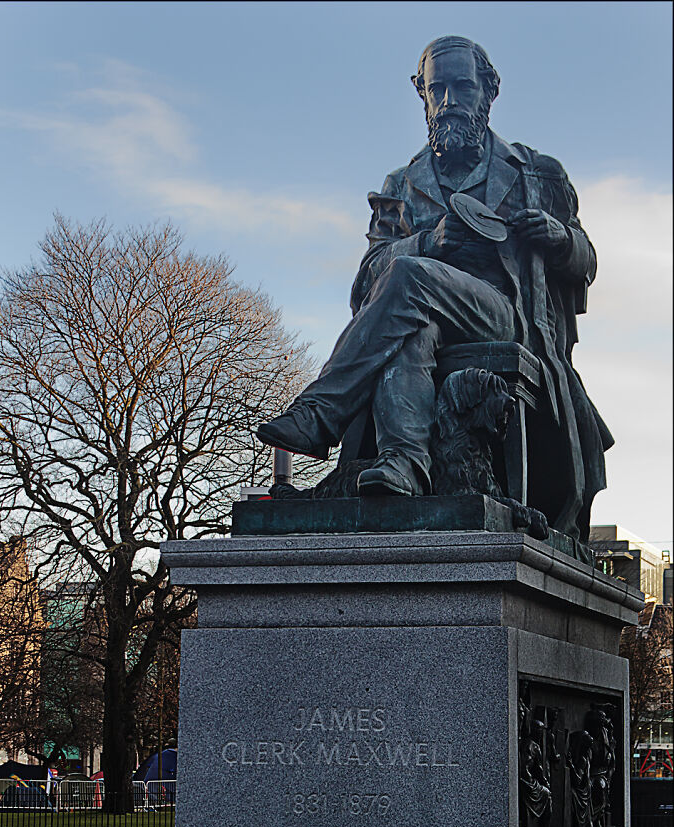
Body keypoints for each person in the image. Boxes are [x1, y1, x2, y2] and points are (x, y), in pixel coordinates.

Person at [257, 36, 613, 542]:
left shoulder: (537, 172)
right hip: (417, 313)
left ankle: (323, 411)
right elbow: (366, 278)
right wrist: (428, 241)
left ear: (488, 91)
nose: (448, 102)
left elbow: (586, 261)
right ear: (420, 93)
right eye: (436, 89)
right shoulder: (401, 183)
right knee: (412, 321)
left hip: (504, 315)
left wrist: (559, 238)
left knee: (408, 276)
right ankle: (403, 462)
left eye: (462, 88)